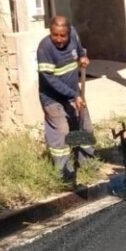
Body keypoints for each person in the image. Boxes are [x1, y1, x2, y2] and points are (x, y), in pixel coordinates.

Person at [37, 16, 94, 181]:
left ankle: (87, 164)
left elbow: (80, 50)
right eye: (55, 35)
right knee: (62, 132)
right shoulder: (45, 48)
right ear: (50, 32)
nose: (59, 40)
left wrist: (82, 57)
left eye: (63, 36)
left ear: (69, 32)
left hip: (73, 93)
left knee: (84, 126)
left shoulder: (74, 35)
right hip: (52, 98)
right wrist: (73, 95)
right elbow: (49, 79)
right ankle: (63, 172)